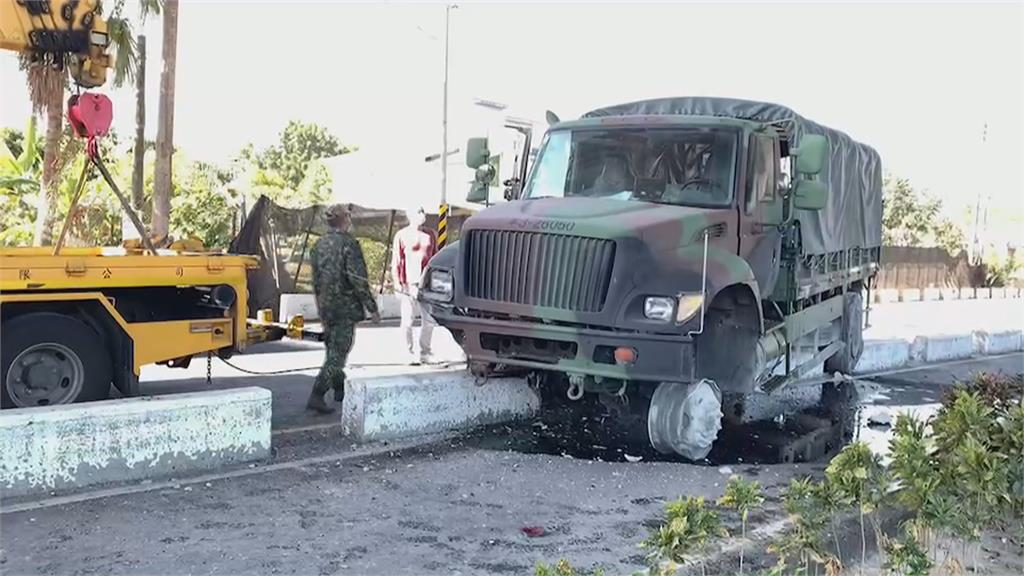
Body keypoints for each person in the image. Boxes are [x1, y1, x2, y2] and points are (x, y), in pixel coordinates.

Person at [308, 203, 381, 414]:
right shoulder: (349, 244)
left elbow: (315, 280)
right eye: (348, 217)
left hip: (326, 307)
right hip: (345, 308)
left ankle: (340, 389)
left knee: (333, 348)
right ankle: (317, 393)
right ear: (344, 220)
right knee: (338, 353)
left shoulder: (318, 245)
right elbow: (357, 279)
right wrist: (372, 307)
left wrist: (321, 303)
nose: (350, 220)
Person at [390, 205, 437, 364]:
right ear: (410, 215)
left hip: (427, 284)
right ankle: (407, 352)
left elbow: (436, 258)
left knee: (429, 321)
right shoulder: (401, 235)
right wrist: (397, 283)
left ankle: (426, 352)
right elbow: (396, 261)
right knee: (407, 321)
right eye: (418, 211)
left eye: (423, 211)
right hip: (408, 284)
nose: (422, 214)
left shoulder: (431, 234)